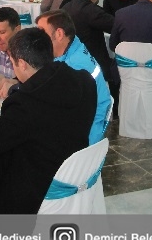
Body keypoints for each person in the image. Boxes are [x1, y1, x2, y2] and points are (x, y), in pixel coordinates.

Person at [0, 28, 96, 214]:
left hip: (33, 193)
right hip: (72, 178)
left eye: (13, 63)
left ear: (22, 64)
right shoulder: (85, 81)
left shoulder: (24, 104)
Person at [36, 10, 112, 144]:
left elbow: (55, 107)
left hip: (85, 134)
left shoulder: (74, 66)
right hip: (87, 119)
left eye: (42, 33)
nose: (38, 39)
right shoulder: (74, 45)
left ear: (59, 34)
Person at [62, 0, 115, 85]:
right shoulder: (91, 10)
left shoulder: (65, 7)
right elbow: (115, 25)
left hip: (69, 59)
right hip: (92, 61)